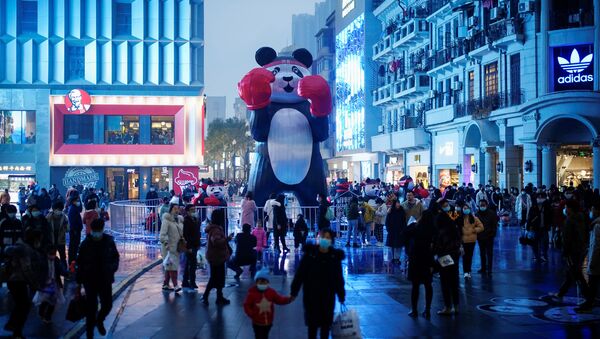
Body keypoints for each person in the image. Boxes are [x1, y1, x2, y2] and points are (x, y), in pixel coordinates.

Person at [291, 228, 345, 339]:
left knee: (326, 327)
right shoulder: (310, 255)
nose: (325, 240)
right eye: (323, 237)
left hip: (328, 297)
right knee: (312, 326)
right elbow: (300, 274)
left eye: (328, 238)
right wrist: (294, 291)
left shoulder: (334, 257)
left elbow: (338, 278)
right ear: (318, 238)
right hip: (311, 296)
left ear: (332, 240)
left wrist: (341, 294)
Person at [75, 219, 119, 339]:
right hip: (90, 280)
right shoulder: (85, 244)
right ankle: (90, 335)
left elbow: (115, 257)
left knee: (107, 305)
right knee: (91, 309)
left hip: (105, 279)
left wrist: (111, 268)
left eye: (99, 230)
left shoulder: (109, 241)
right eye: (95, 231)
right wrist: (78, 283)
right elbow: (80, 263)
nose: (97, 233)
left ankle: (99, 320)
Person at [3, 228, 44, 338]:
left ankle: (13, 327)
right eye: (39, 239)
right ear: (35, 239)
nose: (40, 242)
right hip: (17, 281)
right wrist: (35, 284)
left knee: (22, 305)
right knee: (24, 305)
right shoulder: (25, 249)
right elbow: (27, 270)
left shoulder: (24, 247)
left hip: (15, 280)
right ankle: (16, 331)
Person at [550, 200, 589, 301]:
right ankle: (561, 292)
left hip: (572, 251)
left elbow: (567, 238)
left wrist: (565, 251)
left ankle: (588, 296)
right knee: (571, 273)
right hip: (580, 249)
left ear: (570, 209)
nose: (565, 209)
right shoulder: (581, 218)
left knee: (576, 273)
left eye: (566, 207)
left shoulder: (569, 220)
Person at [404, 206, 436, 318]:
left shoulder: (416, 227)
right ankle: (427, 309)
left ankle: (414, 309)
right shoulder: (433, 231)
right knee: (428, 285)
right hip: (428, 261)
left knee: (415, 286)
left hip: (415, 260)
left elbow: (405, 234)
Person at [244, 269, 293, 339]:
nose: (262, 284)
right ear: (256, 283)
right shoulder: (252, 294)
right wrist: (252, 314)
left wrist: (288, 299)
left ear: (268, 283)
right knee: (259, 336)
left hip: (268, 322)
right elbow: (247, 305)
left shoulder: (271, 292)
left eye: (265, 282)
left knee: (265, 335)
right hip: (257, 322)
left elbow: (279, 299)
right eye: (260, 282)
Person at [434, 199, 462, 315]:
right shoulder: (452, 217)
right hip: (452, 252)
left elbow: (437, 236)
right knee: (453, 279)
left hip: (446, 252)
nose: (447, 207)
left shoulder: (440, 219)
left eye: (447, 205)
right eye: (444, 205)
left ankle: (448, 307)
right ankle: (455, 306)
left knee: (446, 279)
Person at [203, 208, 232, 305]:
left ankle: (218, 296)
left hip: (215, 256)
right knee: (215, 277)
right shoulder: (216, 230)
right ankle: (206, 296)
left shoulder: (213, 228)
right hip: (216, 256)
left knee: (218, 277)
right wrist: (227, 239)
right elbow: (216, 241)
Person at [576, 202, 600, 313]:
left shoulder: (597, 225)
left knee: (593, 283)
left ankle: (589, 303)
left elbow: (596, 245)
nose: (591, 211)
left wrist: (592, 262)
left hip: (597, 261)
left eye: (592, 208)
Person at [36, 246, 65, 324]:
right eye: (51, 254)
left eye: (54, 254)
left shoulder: (56, 260)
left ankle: (48, 317)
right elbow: (38, 272)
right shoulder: (42, 261)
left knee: (53, 301)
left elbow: (61, 269)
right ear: (47, 253)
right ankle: (42, 312)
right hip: (45, 283)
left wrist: (66, 273)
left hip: (54, 283)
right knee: (45, 300)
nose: (53, 255)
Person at [160, 202, 184, 292]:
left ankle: (166, 284)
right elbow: (163, 234)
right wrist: (166, 243)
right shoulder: (166, 220)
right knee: (172, 266)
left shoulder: (179, 220)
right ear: (170, 209)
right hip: (168, 247)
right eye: (175, 208)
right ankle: (175, 285)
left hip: (177, 247)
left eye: (178, 208)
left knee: (169, 266)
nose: (177, 210)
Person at [459, 202, 483, 279]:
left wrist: (474, 230)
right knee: (464, 257)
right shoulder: (459, 218)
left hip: (472, 241)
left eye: (467, 208)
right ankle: (465, 272)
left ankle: (468, 271)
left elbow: (481, 227)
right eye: (464, 208)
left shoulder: (474, 218)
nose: (466, 210)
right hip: (463, 241)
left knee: (469, 256)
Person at [475, 200, 497, 275]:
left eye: (483, 205)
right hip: (480, 237)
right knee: (482, 253)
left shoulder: (492, 213)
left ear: (486, 205)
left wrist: (492, 234)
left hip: (489, 237)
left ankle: (489, 269)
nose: (482, 206)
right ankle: (483, 268)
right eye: (481, 205)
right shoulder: (477, 214)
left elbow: (494, 225)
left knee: (489, 253)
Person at [46, 201, 69, 269]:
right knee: (50, 257)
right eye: (57, 209)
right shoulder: (48, 217)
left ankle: (64, 271)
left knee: (63, 257)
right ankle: (51, 271)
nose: (59, 211)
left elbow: (67, 229)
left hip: (61, 241)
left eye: (60, 210)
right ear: (54, 209)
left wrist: (65, 227)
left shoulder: (64, 217)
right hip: (51, 240)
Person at [182, 204, 201, 289]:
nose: (194, 211)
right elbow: (186, 235)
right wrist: (188, 247)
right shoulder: (186, 221)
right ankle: (192, 282)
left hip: (195, 244)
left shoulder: (195, 219)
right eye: (192, 210)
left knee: (188, 263)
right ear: (187, 211)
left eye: (194, 209)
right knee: (192, 264)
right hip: (190, 245)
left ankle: (185, 281)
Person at [385, 200, 407, 264]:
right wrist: (388, 229)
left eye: (398, 203)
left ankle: (397, 258)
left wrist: (403, 229)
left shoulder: (402, 211)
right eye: (397, 203)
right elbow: (387, 221)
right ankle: (394, 258)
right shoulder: (390, 211)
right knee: (392, 245)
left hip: (400, 231)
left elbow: (404, 221)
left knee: (399, 245)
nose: (398, 204)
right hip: (392, 231)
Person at [67, 195, 83, 266]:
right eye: (77, 200)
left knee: (75, 246)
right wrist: (75, 230)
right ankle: (72, 261)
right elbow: (73, 221)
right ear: (73, 201)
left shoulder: (74, 208)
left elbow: (80, 209)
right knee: (73, 246)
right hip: (74, 231)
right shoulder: (72, 209)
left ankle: (73, 260)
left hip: (76, 230)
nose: (78, 202)